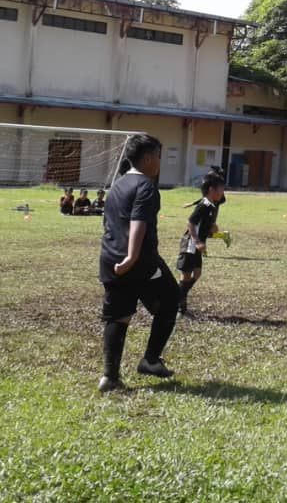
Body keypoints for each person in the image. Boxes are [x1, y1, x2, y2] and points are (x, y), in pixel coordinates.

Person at [97, 133, 180, 392]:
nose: (159, 162)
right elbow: (138, 223)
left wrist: (120, 257)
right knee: (171, 298)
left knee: (119, 315)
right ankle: (151, 360)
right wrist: (132, 257)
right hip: (140, 262)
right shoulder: (146, 186)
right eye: (158, 156)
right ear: (147, 158)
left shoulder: (117, 185)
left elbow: (108, 223)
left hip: (110, 257)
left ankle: (110, 377)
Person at [176, 173, 227, 315]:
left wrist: (212, 229)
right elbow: (191, 222)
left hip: (197, 246)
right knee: (186, 275)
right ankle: (179, 303)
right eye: (221, 189)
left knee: (197, 273)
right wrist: (197, 240)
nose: (223, 192)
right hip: (190, 245)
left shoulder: (211, 206)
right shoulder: (204, 205)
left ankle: (179, 295)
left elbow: (204, 227)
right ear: (211, 189)